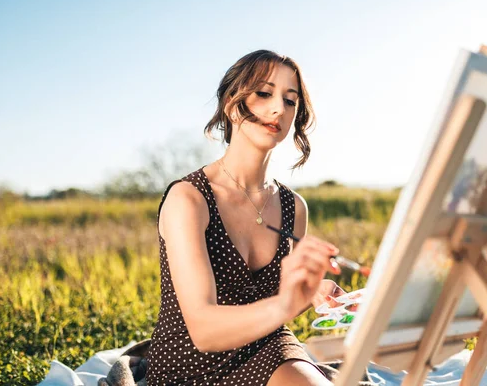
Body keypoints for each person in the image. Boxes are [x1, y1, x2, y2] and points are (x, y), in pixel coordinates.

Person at [145, 50, 346, 386]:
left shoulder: (293, 206)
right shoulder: (189, 199)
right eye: (264, 94)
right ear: (231, 104)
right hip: (189, 364)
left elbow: (276, 301)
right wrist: (286, 303)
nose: (278, 108)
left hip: (267, 347)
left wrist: (310, 293)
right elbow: (204, 331)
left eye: (290, 100)